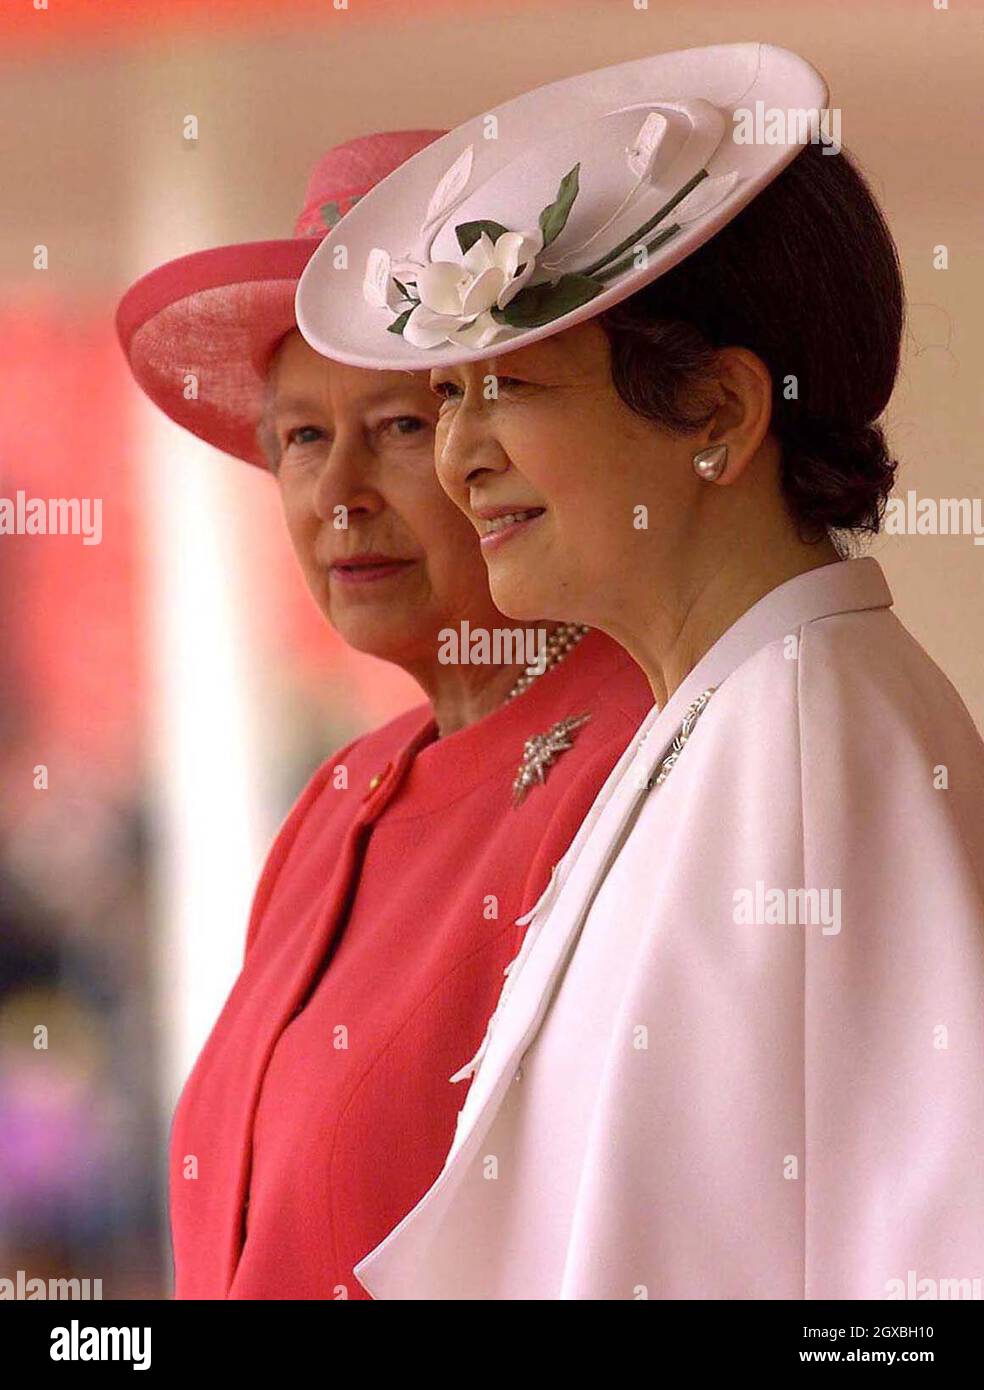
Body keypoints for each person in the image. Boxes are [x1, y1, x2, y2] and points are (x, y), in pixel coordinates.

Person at [296, 45, 984, 1299]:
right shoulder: (726, 715)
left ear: (717, 414)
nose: (459, 456)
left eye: (508, 388)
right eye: (447, 394)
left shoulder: (809, 729)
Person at [115, 131, 655, 1298]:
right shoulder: (341, 792)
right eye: (304, 437)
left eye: (402, 426)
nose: (339, 497)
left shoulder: (646, 752)